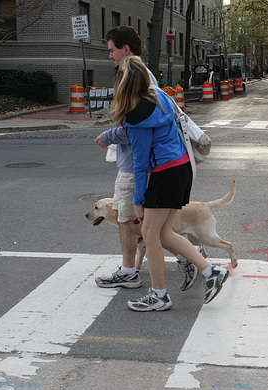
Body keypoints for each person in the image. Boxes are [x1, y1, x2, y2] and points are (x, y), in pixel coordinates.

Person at [109, 56, 228, 312]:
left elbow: (140, 163)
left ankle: (159, 295)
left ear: (123, 86)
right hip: (181, 168)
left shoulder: (136, 115)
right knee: (163, 233)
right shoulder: (160, 97)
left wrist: (138, 200)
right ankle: (211, 271)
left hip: (164, 174)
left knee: (149, 235)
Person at [94, 26, 200, 291]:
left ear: (125, 49)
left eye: (111, 50)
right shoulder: (142, 80)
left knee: (144, 227)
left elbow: (138, 130)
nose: (110, 56)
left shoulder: (137, 80)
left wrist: (110, 135)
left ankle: (185, 258)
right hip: (158, 166)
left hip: (139, 165)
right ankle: (138, 269)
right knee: (131, 221)